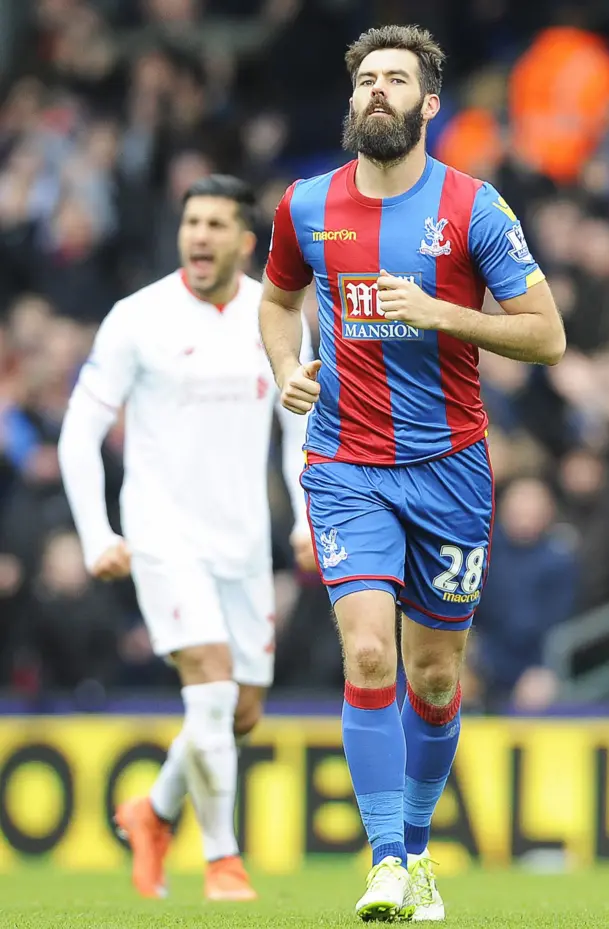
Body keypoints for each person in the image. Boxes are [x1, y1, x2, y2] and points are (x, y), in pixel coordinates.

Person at [259, 24, 565, 922]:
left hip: (452, 471)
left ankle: (420, 850)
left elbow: (546, 335)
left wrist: (441, 312)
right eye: (365, 81)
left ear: (430, 104)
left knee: (434, 679)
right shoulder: (306, 205)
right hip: (347, 461)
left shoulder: (474, 207)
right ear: (352, 101)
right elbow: (278, 303)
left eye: (396, 80)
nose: (377, 92)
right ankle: (386, 860)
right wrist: (287, 367)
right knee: (366, 651)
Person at [58, 174, 315, 902]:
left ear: (245, 240)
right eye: (190, 221)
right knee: (208, 689)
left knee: (240, 710)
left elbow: (299, 428)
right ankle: (223, 861)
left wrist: (303, 517)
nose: (198, 235)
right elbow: (79, 431)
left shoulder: (279, 315)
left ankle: (152, 811)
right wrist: (96, 533)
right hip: (162, 534)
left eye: (214, 224)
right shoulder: (137, 318)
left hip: (242, 539)